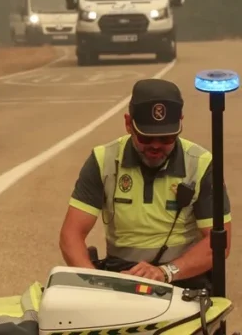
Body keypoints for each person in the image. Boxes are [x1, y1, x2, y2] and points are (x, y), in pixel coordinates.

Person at [59, 78, 232, 290]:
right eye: (146, 137)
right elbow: (71, 235)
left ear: (180, 123)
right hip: (120, 276)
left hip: (183, 278)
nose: (156, 146)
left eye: (167, 137)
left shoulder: (202, 164)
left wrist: (166, 272)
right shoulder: (103, 160)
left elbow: (218, 245)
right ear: (127, 124)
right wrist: (95, 282)